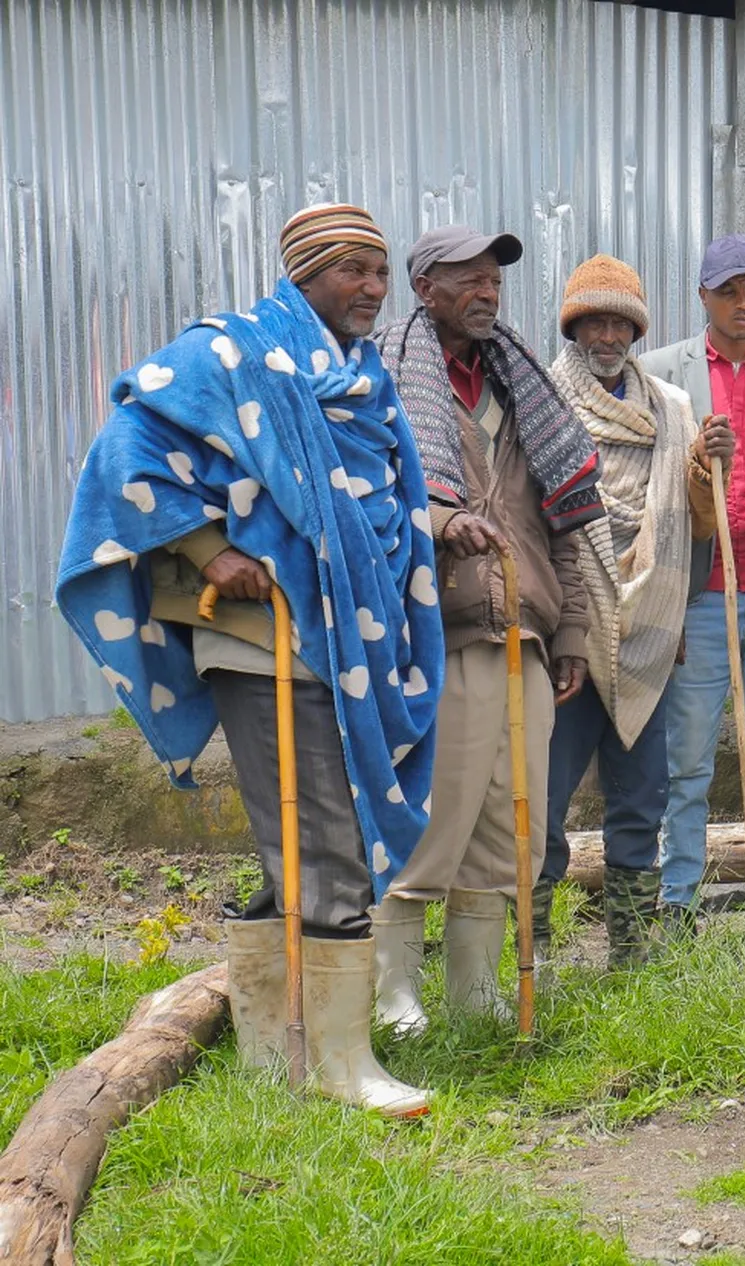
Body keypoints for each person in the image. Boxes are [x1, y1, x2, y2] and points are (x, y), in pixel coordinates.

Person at [57, 203, 442, 1115]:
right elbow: (128, 451)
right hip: (264, 638)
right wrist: (205, 550)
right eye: (355, 270)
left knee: (304, 842)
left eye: (381, 273)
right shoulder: (229, 352)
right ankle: (341, 1064)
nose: (373, 290)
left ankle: (282, 1059)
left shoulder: (363, 371)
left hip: (348, 636)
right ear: (306, 271)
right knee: (322, 837)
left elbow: (380, 492)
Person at [374, 225, 603, 1033]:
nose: (486, 294)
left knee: (513, 830)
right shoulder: (387, 381)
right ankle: (393, 991)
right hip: (439, 637)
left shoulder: (520, 385)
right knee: (436, 817)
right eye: (468, 280)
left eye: (495, 282)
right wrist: (439, 519)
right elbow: (367, 499)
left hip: (526, 638)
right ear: (425, 287)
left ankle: (473, 993)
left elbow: (562, 527)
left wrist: (570, 629)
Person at [542, 254, 734, 970]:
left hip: (650, 633)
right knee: (548, 796)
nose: (606, 333)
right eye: (592, 319)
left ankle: (629, 949)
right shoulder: (542, 406)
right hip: (568, 632)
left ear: (635, 329)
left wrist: (706, 465)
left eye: (619, 321)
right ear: (573, 326)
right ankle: (534, 952)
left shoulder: (673, 411)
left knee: (639, 797)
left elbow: (696, 522)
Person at [640, 234, 745, 930]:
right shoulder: (662, 375)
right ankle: (678, 896)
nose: (744, 303)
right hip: (702, 595)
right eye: (729, 290)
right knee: (689, 759)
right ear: (703, 296)